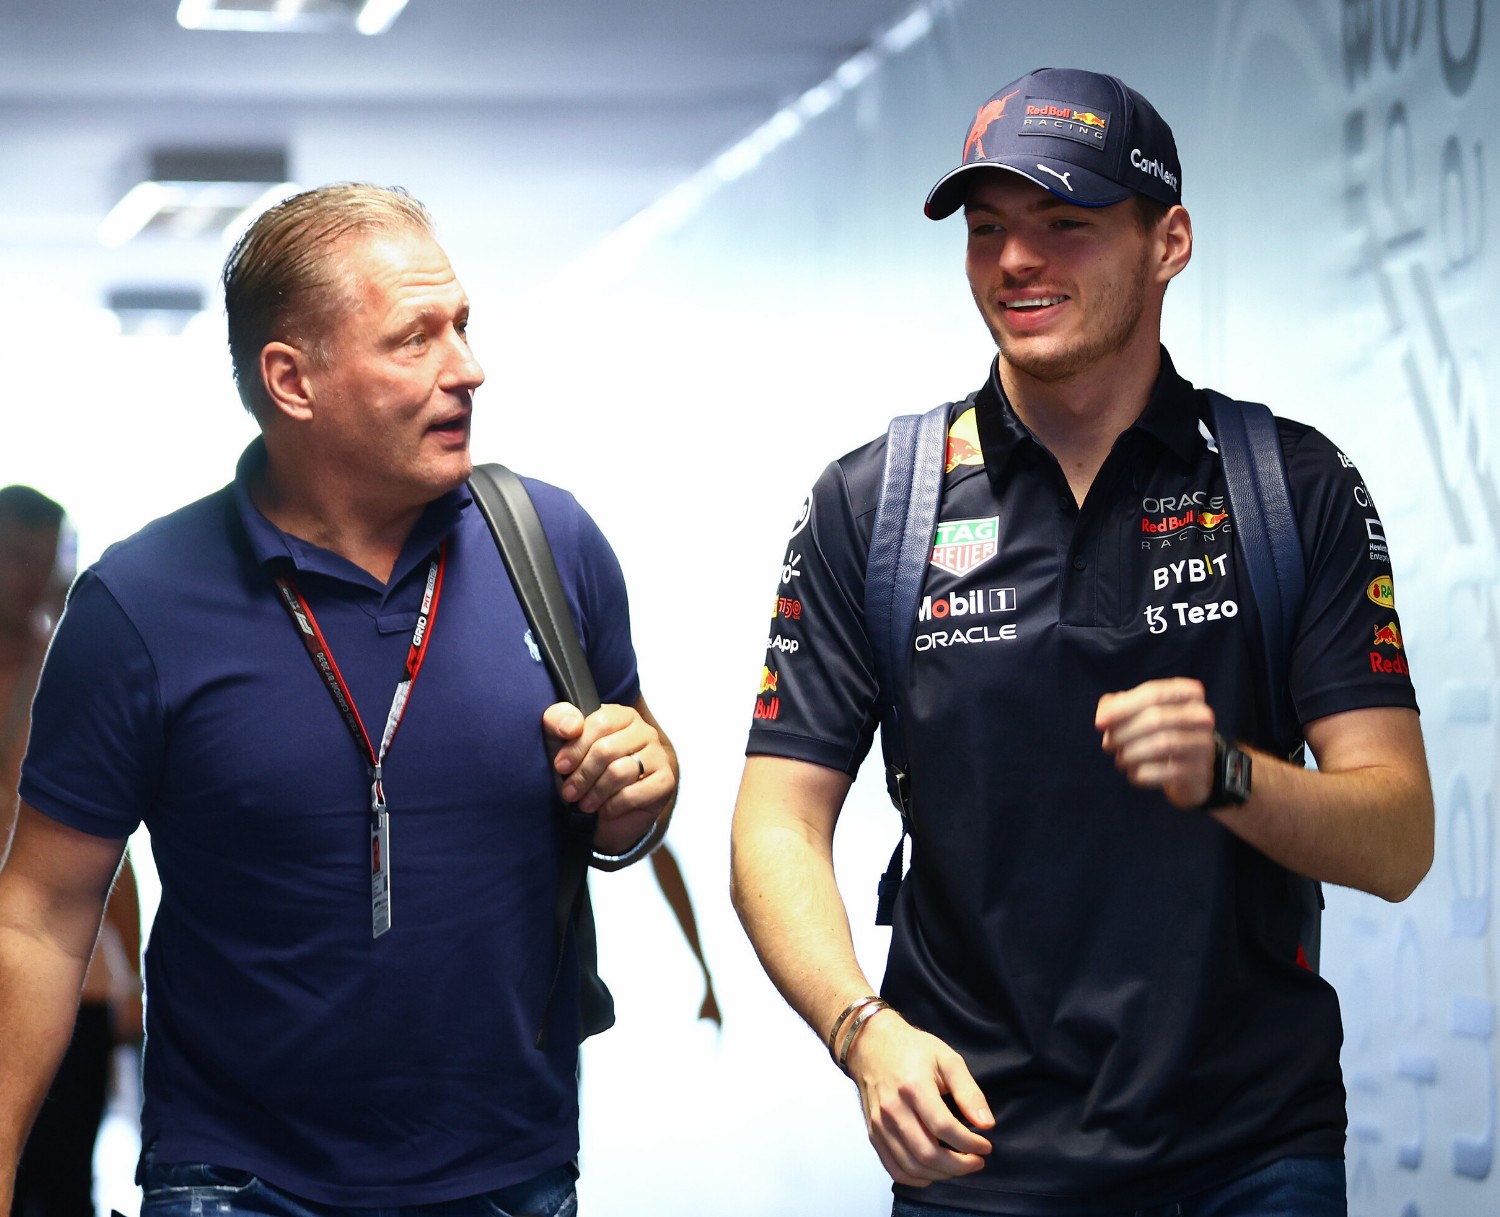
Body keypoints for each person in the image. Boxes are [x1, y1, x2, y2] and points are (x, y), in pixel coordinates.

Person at [731, 67, 1433, 1216]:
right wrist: (861, 1030)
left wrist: (1231, 775)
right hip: (975, 1154)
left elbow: (1397, 836)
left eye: (1066, 223)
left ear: (1170, 241)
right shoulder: (877, 503)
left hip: (1251, 1152)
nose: (1016, 261)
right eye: (990, 228)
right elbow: (776, 817)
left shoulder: (1290, 486)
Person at [0, 184, 677, 1217]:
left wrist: (643, 785)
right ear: (293, 379)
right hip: (234, 1178)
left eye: (463, 325)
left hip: (508, 1170)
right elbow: (41, 917)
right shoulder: (140, 603)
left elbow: (626, 793)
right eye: (417, 337)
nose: (469, 366)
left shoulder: (550, 544)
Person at [1, 485, 143, 1217]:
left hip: (71, 983)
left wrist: (135, 979)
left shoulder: (72, 671)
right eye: (13, 556)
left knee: (61, 1194)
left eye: (42, 559)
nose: (24, 575)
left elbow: (103, 853)